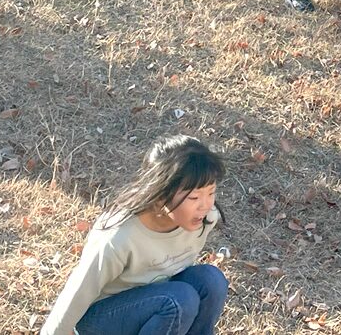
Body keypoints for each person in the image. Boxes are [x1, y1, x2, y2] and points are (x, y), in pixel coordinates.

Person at [41, 135, 229, 335]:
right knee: (179, 300)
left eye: (211, 192)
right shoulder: (119, 237)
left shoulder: (204, 219)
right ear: (160, 195)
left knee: (212, 280)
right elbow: (77, 293)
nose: (206, 204)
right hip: (103, 320)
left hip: (157, 301)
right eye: (194, 197)